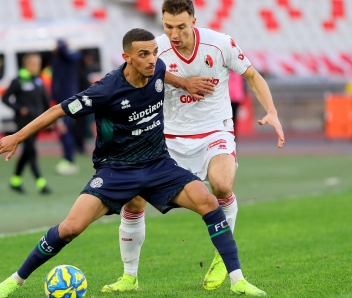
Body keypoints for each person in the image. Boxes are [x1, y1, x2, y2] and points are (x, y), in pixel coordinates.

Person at [0, 28, 267, 297]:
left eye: (154, 53)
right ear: (127, 58)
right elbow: (58, 110)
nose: (152, 59)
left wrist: (184, 83)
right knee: (71, 227)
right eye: (143, 54)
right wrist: (17, 136)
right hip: (116, 170)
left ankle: (237, 280)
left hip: (158, 165)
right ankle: (14, 281)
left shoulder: (156, 69)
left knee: (209, 202)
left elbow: (164, 75)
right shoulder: (106, 90)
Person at [103, 0, 284, 293]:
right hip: (169, 137)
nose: (174, 34)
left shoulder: (219, 44)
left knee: (222, 186)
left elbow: (251, 75)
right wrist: (183, 82)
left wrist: (272, 111)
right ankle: (129, 277)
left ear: (194, 21)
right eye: (168, 26)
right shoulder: (155, 48)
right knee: (133, 199)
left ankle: (223, 259)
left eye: (181, 27)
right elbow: (134, 73)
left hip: (214, 129)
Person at [1, 53, 51, 194]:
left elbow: (46, 102)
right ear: (26, 64)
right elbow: (4, 98)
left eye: (38, 64)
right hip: (23, 123)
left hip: (37, 123)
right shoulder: (18, 80)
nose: (36, 66)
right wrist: (19, 109)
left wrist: (54, 120)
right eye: (33, 63)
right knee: (31, 151)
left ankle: (15, 181)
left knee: (27, 153)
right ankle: (41, 183)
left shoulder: (39, 82)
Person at [51, 40, 82, 175]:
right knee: (63, 130)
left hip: (69, 101)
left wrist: (62, 46)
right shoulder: (57, 61)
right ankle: (68, 159)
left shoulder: (69, 58)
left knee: (65, 130)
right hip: (61, 100)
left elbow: (73, 56)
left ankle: (69, 160)